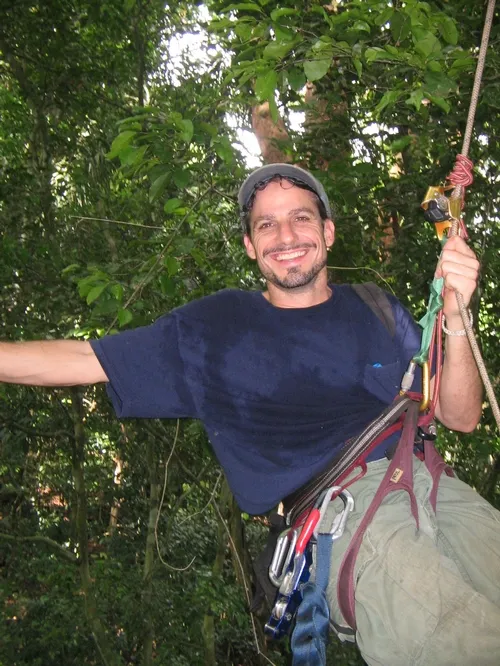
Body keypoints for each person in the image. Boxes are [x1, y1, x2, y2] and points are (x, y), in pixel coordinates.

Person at [1, 163, 499, 665]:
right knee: (469, 645)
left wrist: (457, 317)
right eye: (266, 225)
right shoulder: (219, 328)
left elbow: (460, 416)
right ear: (249, 245)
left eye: (301, 218)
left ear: (327, 231)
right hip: (348, 516)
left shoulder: (375, 306)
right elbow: (85, 359)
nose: (286, 236)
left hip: (438, 487)